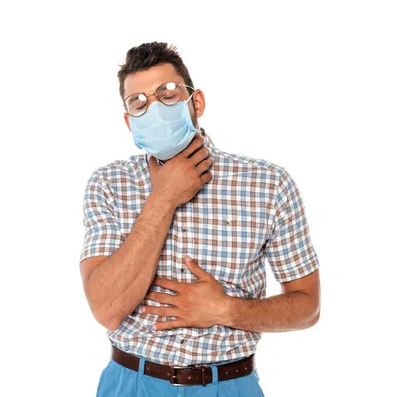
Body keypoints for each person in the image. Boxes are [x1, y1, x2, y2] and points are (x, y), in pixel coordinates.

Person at [79, 41, 321, 396]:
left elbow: (307, 306)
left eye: (168, 93)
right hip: (131, 383)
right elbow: (106, 309)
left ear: (197, 102)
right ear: (130, 122)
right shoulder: (109, 185)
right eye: (139, 102)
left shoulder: (268, 184)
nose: (155, 108)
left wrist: (226, 309)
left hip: (228, 385)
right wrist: (163, 197)